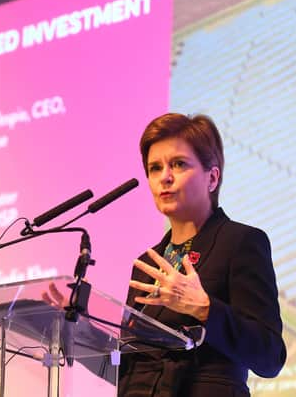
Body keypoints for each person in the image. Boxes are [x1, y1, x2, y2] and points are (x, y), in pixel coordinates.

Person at [118, 113, 286, 397]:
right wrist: (77, 332)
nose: (165, 177)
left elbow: (270, 356)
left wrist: (205, 309)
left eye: (178, 164)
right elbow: (131, 363)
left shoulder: (241, 243)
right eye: (155, 168)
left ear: (212, 177)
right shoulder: (147, 264)